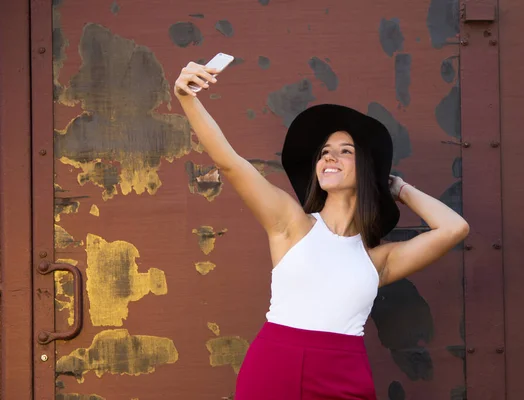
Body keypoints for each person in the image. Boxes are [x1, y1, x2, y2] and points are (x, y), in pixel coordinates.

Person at [174, 62, 470, 400]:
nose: (331, 158)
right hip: (275, 366)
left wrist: (399, 187)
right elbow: (230, 162)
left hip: (344, 373)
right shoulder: (290, 223)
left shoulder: (377, 261)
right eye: (325, 153)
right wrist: (187, 98)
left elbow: (454, 228)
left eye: (346, 152)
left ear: (367, 168)